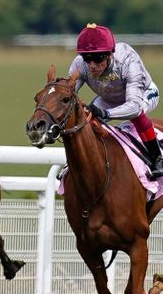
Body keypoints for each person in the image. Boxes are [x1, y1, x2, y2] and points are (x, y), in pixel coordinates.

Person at [70, 23, 163, 179]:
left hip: (143, 94)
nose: (92, 65)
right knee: (86, 120)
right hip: (109, 98)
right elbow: (69, 93)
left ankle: (157, 159)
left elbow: (133, 106)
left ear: (110, 54)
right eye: (87, 58)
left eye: (98, 58)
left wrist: (105, 114)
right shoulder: (80, 64)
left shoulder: (127, 59)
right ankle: (76, 165)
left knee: (137, 114)